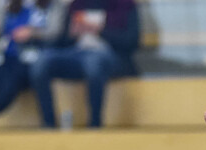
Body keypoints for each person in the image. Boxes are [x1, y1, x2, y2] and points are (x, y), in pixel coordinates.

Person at [29, 0, 138, 128]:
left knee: (93, 63)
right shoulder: (76, 5)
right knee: (41, 62)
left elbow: (132, 41)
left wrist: (100, 31)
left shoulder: (125, 5)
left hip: (110, 55)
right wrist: (72, 34)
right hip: (76, 53)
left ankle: (95, 124)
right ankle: (48, 123)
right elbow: (60, 42)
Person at [0, 0, 55, 124]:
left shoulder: (50, 5)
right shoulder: (10, 6)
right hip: (10, 56)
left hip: (35, 58)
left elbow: (55, 32)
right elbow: (0, 28)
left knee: (12, 77)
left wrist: (32, 32)